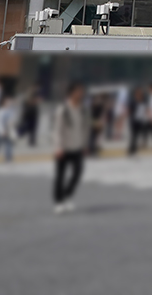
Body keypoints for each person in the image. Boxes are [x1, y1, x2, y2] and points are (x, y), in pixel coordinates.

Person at [53, 82, 90, 214]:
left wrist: (85, 145)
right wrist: (58, 147)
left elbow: (85, 128)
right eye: (78, 91)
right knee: (60, 176)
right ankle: (58, 202)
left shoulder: (84, 109)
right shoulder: (63, 109)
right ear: (71, 93)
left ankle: (67, 195)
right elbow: (57, 130)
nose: (81, 94)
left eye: (82, 91)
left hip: (78, 147)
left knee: (78, 173)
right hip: (63, 148)